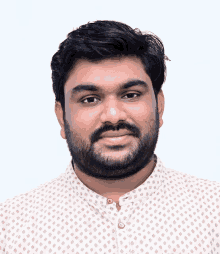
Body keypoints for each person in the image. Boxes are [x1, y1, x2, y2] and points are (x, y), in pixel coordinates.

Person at [0, 20, 219, 254]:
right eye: (90, 99)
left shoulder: (214, 211)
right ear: (62, 116)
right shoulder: (9, 229)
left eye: (131, 95)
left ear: (160, 106)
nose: (113, 116)